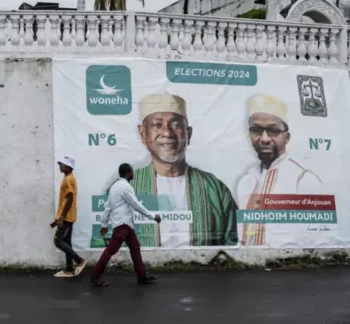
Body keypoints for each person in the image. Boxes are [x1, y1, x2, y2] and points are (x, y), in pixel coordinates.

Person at [106, 91, 238, 248]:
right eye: (157, 125)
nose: (167, 133)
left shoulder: (216, 190)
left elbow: (233, 242)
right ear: (143, 133)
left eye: (176, 125)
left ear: (188, 133)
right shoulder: (123, 188)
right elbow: (106, 240)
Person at [235, 94, 325, 246]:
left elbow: (319, 239)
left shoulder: (303, 179)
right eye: (256, 130)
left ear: (287, 137)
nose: (264, 138)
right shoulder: (246, 182)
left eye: (273, 131)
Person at [90, 163, 162, 287]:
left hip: (125, 225)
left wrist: (104, 224)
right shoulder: (125, 187)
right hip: (123, 225)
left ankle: (142, 276)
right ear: (128, 173)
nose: (133, 174)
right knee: (111, 250)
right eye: (132, 172)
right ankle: (95, 277)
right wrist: (153, 216)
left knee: (135, 248)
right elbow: (136, 205)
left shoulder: (114, 187)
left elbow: (108, 207)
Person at [51, 155, 87, 278]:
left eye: (62, 164)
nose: (60, 166)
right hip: (66, 216)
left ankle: (79, 261)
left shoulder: (68, 179)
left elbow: (70, 198)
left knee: (58, 241)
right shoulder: (68, 178)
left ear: (68, 166)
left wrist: (61, 217)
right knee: (67, 243)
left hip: (66, 217)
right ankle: (69, 269)